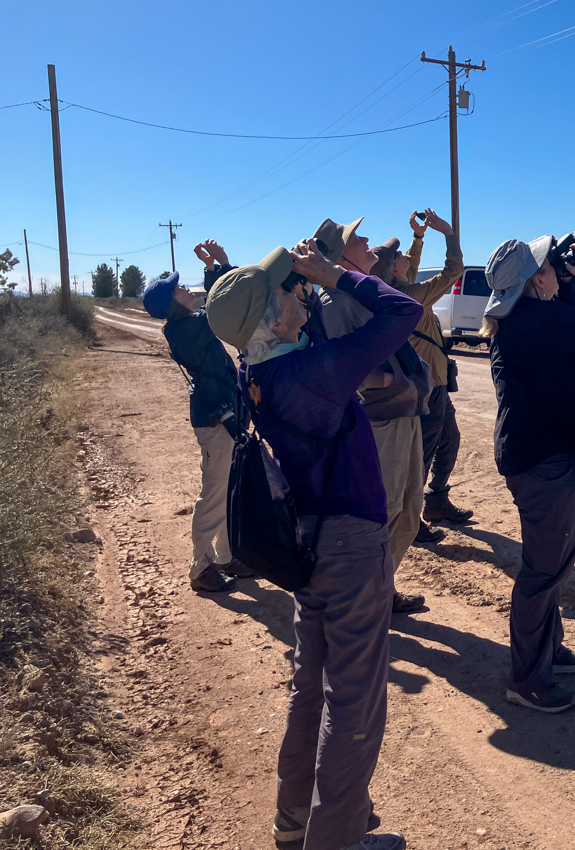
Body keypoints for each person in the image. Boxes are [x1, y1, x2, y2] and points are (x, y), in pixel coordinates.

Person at [206, 241, 419, 850]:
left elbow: (299, 327)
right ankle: (337, 840)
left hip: (307, 545)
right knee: (354, 701)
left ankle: (296, 818)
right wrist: (340, 275)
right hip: (350, 543)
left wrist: (311, 288)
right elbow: (401, 314)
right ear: (273, 318)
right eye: (288, 289)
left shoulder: (260, 370)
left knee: (311, 685)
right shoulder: (313, 373)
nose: (300, 290)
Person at [480, 236, 575, 713]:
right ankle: (528, 680)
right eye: (549, 265)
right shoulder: (533, 322)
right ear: (534, 279)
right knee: (542, 573)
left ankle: (550, 652)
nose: (558, 270)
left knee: (554, 564)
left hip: (547, 456)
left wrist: (568, 283)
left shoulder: (524, 317)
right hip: (546, 463)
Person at [314, 217, 432, 614]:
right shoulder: (335, 300)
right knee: (386, 511)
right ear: (340, 256)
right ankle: (364, 598)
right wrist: (382, 381)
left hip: (406, 412)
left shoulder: (360, 290)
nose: (366, 240)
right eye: (356, 238)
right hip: (381, 419)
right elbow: (340, 360)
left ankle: (380, 587)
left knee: (411, 511)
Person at [141, 239, 252, 594]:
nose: (186, 288)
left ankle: (222, 556)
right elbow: (223, 305)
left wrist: (212, 269)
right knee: (214, 493)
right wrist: (221, 264)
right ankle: (200, 568)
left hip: (221, 416)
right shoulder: (185, 329)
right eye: (179, 289)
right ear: (172, 303)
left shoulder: (185, 325)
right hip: (216, 421)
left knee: (225, 491)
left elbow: (214, 307)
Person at [396, 207, 471, 528]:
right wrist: (449, 235)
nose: (405, 256)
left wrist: (418, 236)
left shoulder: (399, 286)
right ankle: (409, 519)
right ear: (392, 270)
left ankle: (436, 500)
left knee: (449, 439)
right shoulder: (410, 294)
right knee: (424, 450)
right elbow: (454, 270)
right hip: (428, 385)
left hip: (435, 380)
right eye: (398, 256)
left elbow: (408, 267)